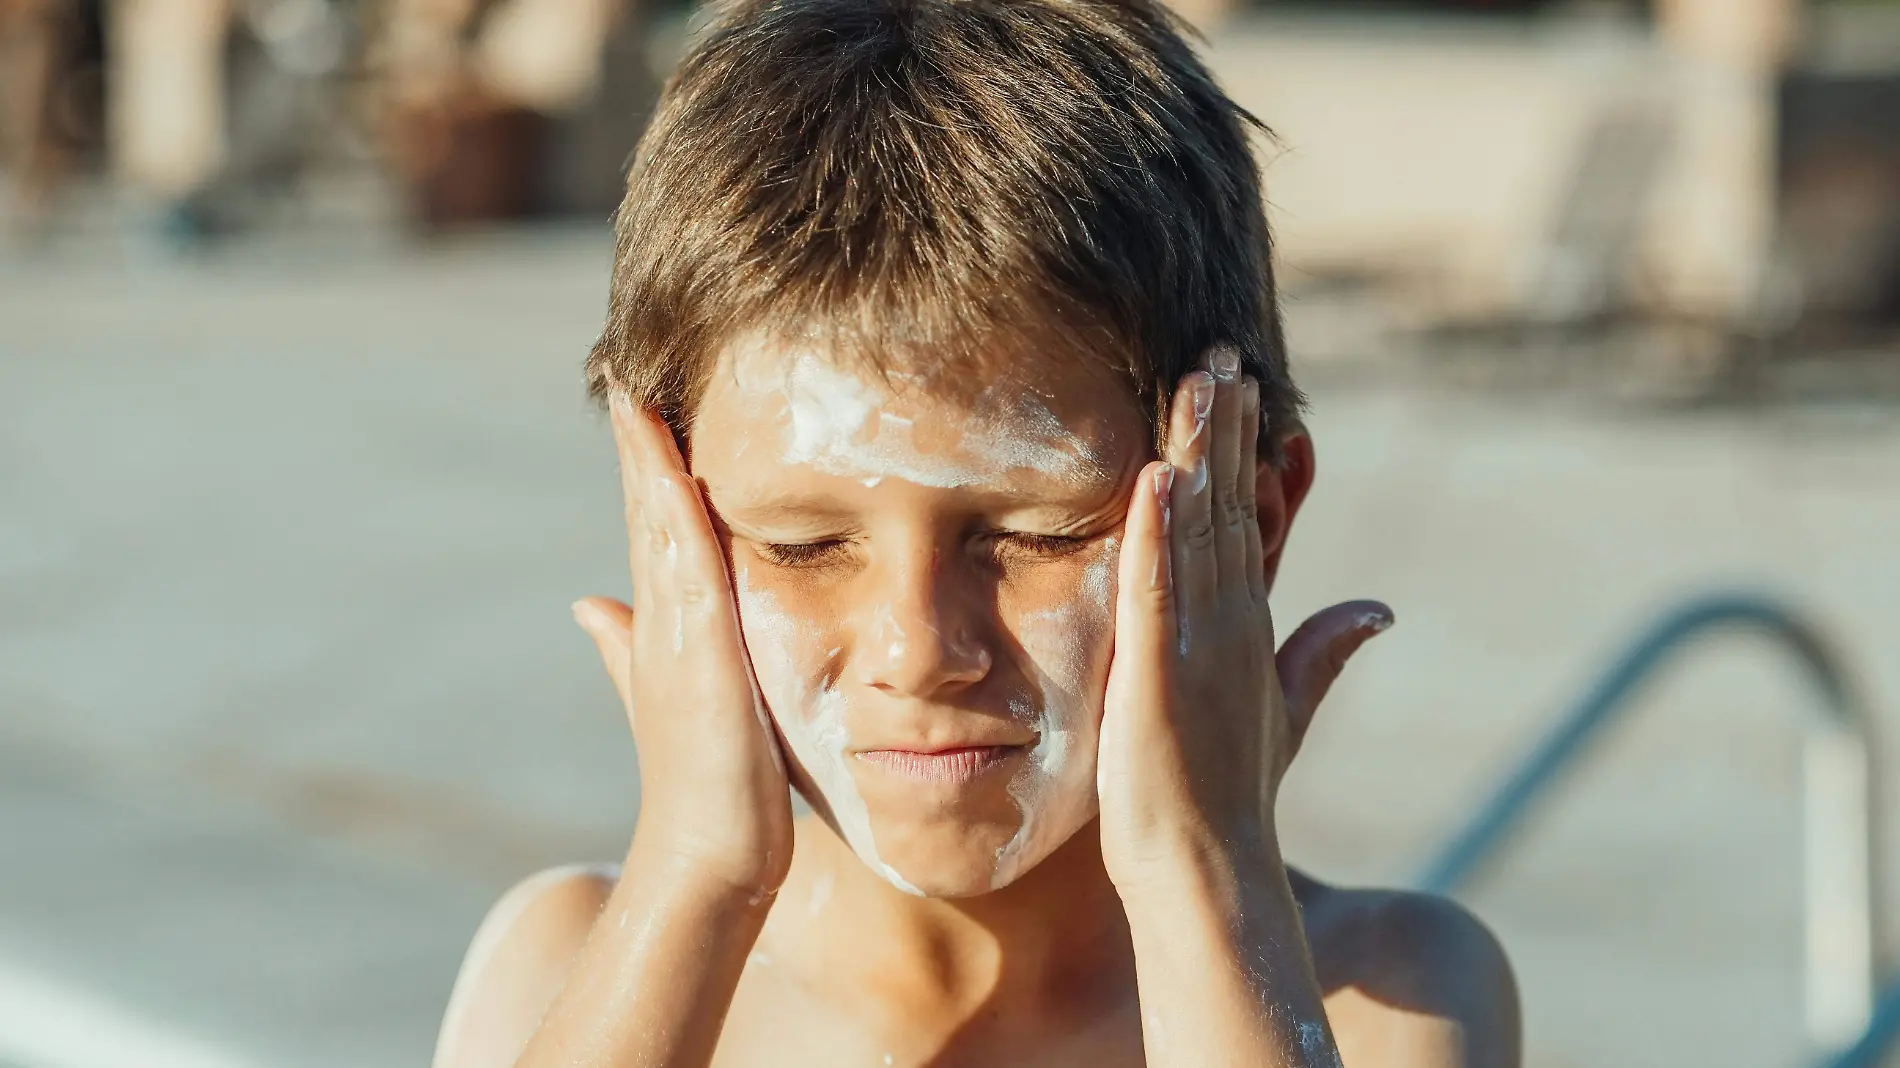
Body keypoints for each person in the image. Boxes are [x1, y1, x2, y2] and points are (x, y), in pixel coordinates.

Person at [432, 1, 1522, 1064]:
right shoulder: (568, 970)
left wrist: (1200, 871)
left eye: (1037, 534)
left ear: (1253, 515)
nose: (917, 648)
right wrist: (697, 874)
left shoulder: (1390, 994)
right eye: (801, 546)